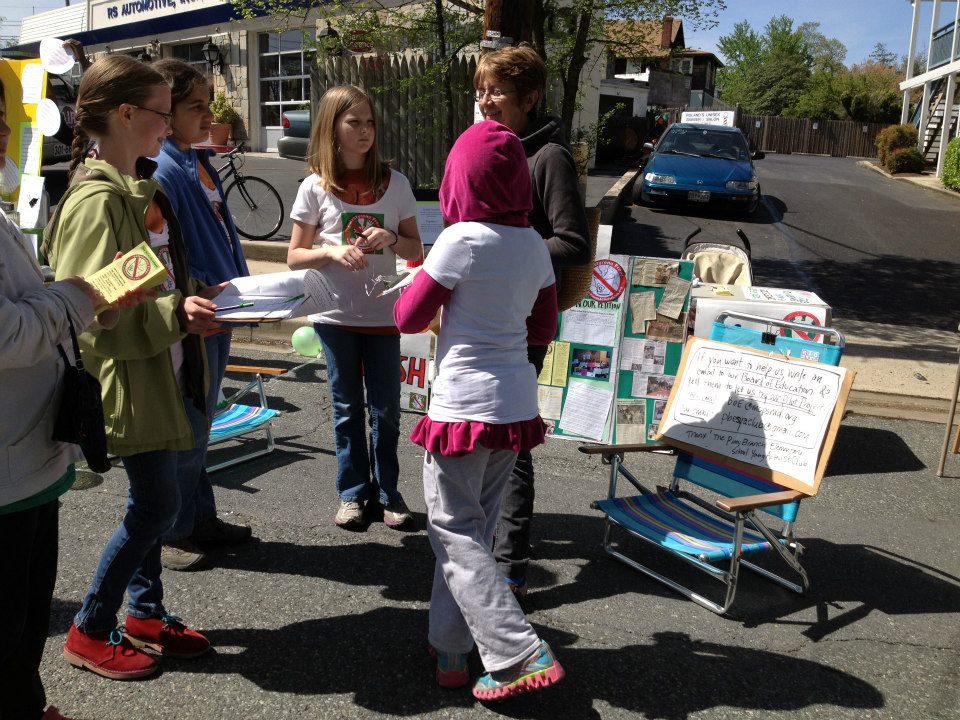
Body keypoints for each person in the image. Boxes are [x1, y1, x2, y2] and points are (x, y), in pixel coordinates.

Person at [44, 55, 226, 681]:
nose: (167, 126)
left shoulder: (130, 189)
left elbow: (144, 282)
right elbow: (94, 310)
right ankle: (91, 626)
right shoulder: (98, 202)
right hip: (132, 378)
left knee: (154, 501)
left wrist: (190, 297)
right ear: (125, 114)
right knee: (155, 507)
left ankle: (144, 615)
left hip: (158, 368)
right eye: (159, 113)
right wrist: (178, 312)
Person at [394, 120, 563, 699]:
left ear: (458, 180)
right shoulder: (534, 244)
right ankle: (451, 649)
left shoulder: (460, 238)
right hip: (514, 403)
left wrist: (422, 283)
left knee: (453, 531)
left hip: (463, 405)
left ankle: (517, 651)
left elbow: (408, 317)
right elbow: (544, 326)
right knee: (475, 532)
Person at [0, 74, 147, 717]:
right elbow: (8, 334)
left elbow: (31, 302)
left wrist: (85, 299)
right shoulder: (95, 194)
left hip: (28, 457)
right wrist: (76, 296)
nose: (2, 131)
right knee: (8, 626)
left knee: (26, 621)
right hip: (8, 470)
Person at [474, 45, 591, 598]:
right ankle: (490, 547)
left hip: (523, 321)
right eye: (481, 90)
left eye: (496, 90)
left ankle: (510, 569)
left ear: (530, 97)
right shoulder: (495, 148)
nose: (485, 100)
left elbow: (573, 242)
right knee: (485, 437)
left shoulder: (548, 157)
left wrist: (506, 251)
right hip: (486, 312)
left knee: (510, 443)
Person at [287, 84, 422, 530]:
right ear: (332, 127)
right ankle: (351, 494)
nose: (365, 131)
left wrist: (391, 238)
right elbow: (295, 256)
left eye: (370, 122)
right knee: (347, 409)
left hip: (384, 315)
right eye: (354, 122)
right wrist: (331, 251)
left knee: (386, 411)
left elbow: (417, 249)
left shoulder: (395, 183)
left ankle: (388, 494)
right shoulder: (314, 186)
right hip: (335, 317)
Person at [152, 58, 252, 571]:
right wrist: (193, 294)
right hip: (197, 311)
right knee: (189, 428)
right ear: (165, 113)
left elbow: (220, 233)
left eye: (209, 102)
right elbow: (169, 250)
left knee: (202, 424)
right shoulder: (165, 169)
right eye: (196, 105)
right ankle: (173, 531)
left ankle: (199, 518)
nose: (209, 114)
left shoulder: (197, 160)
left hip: (219, 306)